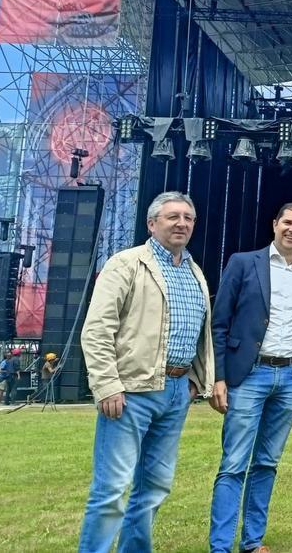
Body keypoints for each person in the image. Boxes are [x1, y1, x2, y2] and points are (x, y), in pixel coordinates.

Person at [78, 191, 213, 553]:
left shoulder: (194, 271)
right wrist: (107, 385)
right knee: (112, 490)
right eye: (173, 217)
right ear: (152, 223)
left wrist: (196, 379)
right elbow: (97, 329)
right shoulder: (125, 264)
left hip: (175, 391)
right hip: (131, 392)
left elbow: (198, 331)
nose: (182, 223)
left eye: (188, 217)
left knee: (154, 488)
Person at [208, 202, 292, 553]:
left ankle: (252, 542)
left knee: (267, 463)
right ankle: (221, 547)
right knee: (234, 464)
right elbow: (220, 323)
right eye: (288, 222)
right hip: (248, 375)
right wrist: (219, 377)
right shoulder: (243, 263)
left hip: (290, 376)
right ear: (275, 224)